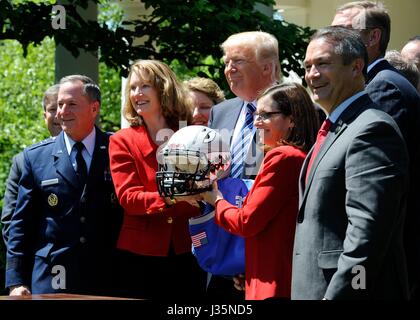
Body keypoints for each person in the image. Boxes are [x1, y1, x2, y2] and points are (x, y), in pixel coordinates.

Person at [292, 26, 409, 300]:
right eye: (308, 66)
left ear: (356, 67)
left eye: (323, 64)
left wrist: (343, 295)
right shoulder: (337, 127)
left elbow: (367, 235)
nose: (312, 74)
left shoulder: (373, 129)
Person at [332, 1, 420, 299]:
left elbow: (372, 182)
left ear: (373, 38)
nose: (332, 39)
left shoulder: (382, 87)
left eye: (342, 31)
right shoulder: (379, 81)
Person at [5, 75, 123, 296]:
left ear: (94, 108)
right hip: (52, 276)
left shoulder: (118, 149)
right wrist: (16, 281)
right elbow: (20, 225)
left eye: (72, 104)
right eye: (60, 104)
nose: (62, 112)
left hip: (108, 275)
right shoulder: (35, 157)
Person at [200, 83, 319, 300]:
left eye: (265, 115)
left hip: (274, 281)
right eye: (256, 114)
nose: (256, 123)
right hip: (269, 273)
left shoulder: (283, 157)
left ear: (292, 119)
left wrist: (215, 199)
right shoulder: (296, 155)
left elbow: (246, 221)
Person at [108, 59, 206, 300]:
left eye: (144, 86)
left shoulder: (191, 132)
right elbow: (129, 198)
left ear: (163, 88)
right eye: (132, 88)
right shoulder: (122, 141)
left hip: (193, 249)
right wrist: (175, 195)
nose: (136, 94)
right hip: (140, 257)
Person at [207, 30, 281, 298]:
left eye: (237, 61)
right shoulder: (221, 111)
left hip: (268, 247)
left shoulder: (299, 111)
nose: (229, 69)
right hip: (222, 244)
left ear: (267, 67)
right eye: (226, 62)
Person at [1, 84, 61, 245]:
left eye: (62, 106)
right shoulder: (23, 161)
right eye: (52, 109)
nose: (58, 115)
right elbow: (11, 221)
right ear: (44, 116)